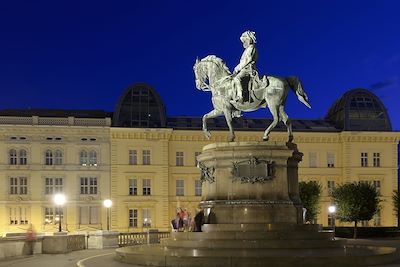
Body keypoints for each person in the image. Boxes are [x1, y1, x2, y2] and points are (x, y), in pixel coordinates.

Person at [233, 30, 259, 103]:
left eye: (244, 41)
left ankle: (240, 96)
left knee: (236, 78)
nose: (243, 43)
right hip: (246, 68)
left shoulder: (251, 48)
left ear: (249, 40)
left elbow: (246, 60)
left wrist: (236, 69)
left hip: (248, 69)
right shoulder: (249, 48)